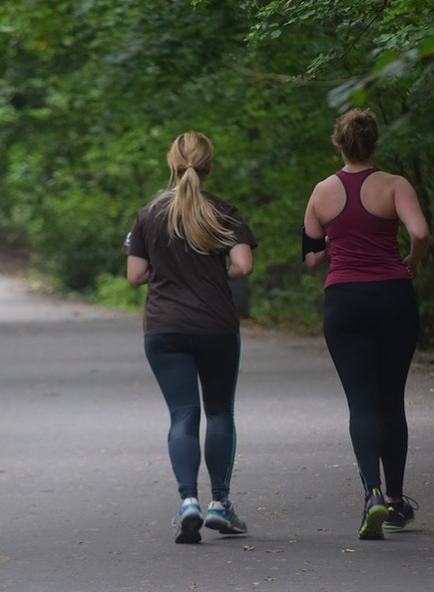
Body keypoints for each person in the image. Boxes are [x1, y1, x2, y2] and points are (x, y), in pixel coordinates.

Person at [123, 131, 257, 544]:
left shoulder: (148, 214)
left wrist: (166, 272)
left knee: (183, 415)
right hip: (216, 326)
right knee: (219, 412)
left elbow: (135, 276)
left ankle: (188, 502)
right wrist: (215, 273)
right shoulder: (224, 212)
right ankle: (220, 503)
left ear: (172, 164)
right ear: (208, 166)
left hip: (164, 328)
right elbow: (243, 266)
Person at [302, 108, 430, 540]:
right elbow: (420, 232)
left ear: (338, 143)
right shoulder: (395, 185)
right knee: (391, 401)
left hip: (345, 302)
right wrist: (412, 260)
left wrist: (331, 244)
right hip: (394, 297)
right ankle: (395, 501)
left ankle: (371, 493)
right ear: (375, 142)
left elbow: (312, 258)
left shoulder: (321, 192)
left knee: (361, 404)